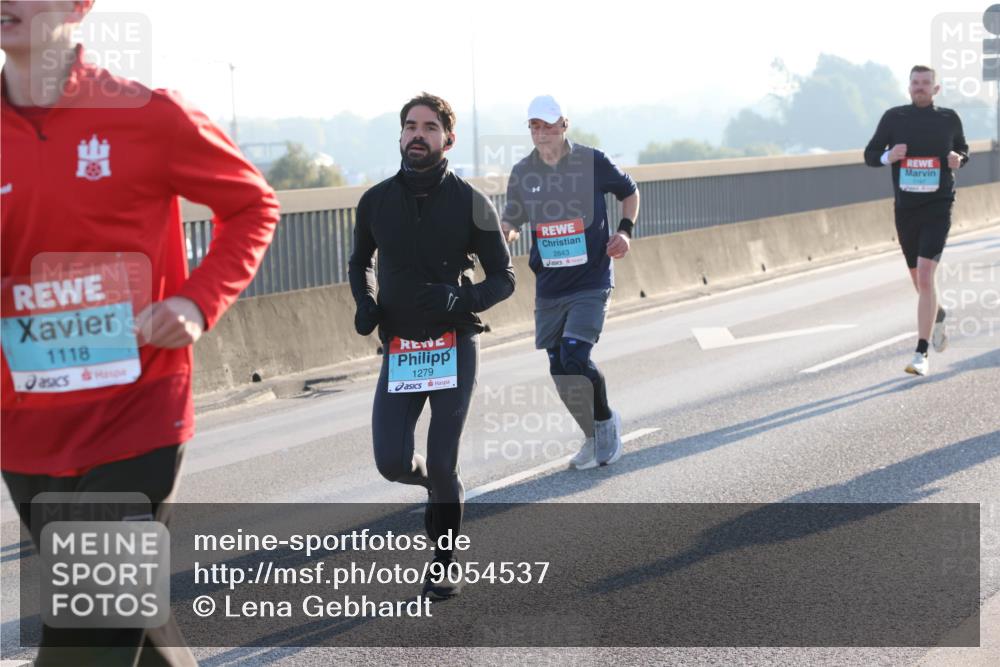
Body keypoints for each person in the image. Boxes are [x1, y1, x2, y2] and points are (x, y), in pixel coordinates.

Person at [1, 1, 280, 664]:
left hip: (136, 410)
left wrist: (195, 301)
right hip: (24, 423)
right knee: (132, 620)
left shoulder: (147, 114)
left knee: (86, 629)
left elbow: (251, 205)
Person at [348, 92, 515, 600]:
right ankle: (436, 487)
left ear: (448, 138)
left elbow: (504, 278)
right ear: (400, 135)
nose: (417, 134)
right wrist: (366, 301)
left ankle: (444, 561)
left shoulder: (471, 202)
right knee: (392, 464)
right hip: (401, 347)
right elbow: (360, 262)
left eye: (429, 127)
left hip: (453, 343)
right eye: (410, 126)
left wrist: (458, 296)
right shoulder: (375, 200)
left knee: (444, 463)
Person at [501, 95, 639, 469]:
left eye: (548, 125)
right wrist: (505, 235)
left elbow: (630, 192)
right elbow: (512, 218)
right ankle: (591, 434)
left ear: (564, 125)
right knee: (559, 369)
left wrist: (625, 232)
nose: (542, 133)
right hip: (550, 285)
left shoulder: (591, 161)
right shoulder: (522, 172)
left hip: (591, 279)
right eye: (534, 126)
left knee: (575, 356)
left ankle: (606, 421)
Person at [864, 65, 968, 376]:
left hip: (938, 206)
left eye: (926, 83)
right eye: (915, 83)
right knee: (919, 282)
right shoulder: (895, 117)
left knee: (925, 277)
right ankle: (937, 316)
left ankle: (920, 354)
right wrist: (888, 156)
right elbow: (870, 154)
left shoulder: (948, 118)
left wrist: (958, 159)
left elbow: (963, 149)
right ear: (908, 87)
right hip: (906, 209)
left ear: (936, 89)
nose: (920, 87)